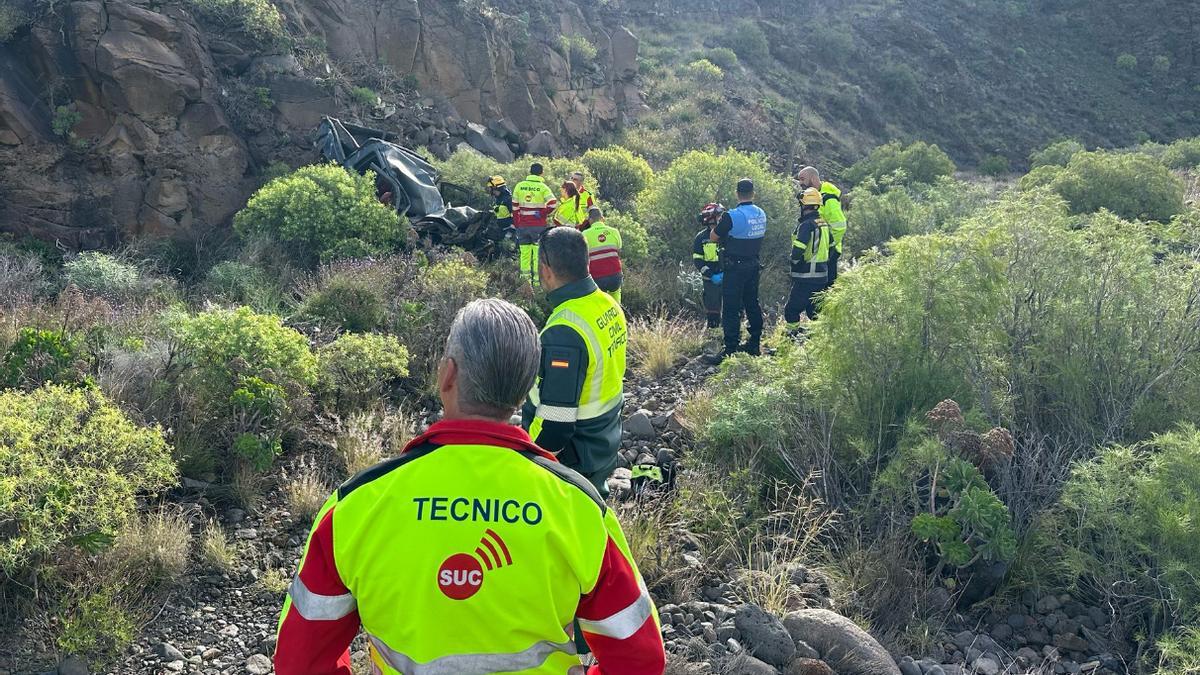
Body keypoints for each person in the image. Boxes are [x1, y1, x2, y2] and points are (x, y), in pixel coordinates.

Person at [275, 299, 665, 675]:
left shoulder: (357, 505)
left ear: (447, 374)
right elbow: (640, 660)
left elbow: (300, 663)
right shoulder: (577, 508)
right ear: (523, 389)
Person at [522, 227, 627, 498]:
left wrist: (527, 466)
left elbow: (556, 426)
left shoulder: (564, 331)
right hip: (603, 442)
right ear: (586, 261)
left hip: (573, 461)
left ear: (545, 270)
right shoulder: (608, 304)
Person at [709, 178, 767, 361]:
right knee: (752, 303)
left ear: (737, 194)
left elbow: (713, 237)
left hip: (735, 267)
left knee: (731, 307)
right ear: (753, 193)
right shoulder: (761, 213)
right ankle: (754, 342)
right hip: (753, 266)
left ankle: (730, 347)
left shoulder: (731, 216)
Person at [784, 187, 831, 335]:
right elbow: (831, 244)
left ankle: (791, 336)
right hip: (821, 275)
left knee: (791, 309)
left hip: (807, 276)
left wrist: (794, 262)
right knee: (813, 310)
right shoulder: (823, 222)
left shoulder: (806, 225)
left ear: (804, 205)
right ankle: (820, 337)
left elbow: (798, 250)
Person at [796, 166, 847, 286]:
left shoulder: (829, 199)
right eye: (799, 180)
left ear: (813, 179)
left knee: (825, 288)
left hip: (827, 253)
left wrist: (827, 247)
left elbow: (840, 226)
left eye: (803, 179)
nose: (800, 183)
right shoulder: (812, 196)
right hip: (816, 252)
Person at [513, 163, 558, 288]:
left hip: (523, 226)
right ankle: (537, 284)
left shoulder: (519, 186)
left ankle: (525, 283)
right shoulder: (543, 187)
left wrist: (517, 224)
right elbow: (553, 203)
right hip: (538, 226)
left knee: (524, 255)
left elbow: (515, 207)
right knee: (537, 255)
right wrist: (542, 213)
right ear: (541, 173)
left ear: (530, 171)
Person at [579, 207, 623, 304]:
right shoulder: (614, 231)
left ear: (590, 220)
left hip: (597, 278)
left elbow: (582, 258)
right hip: (615, 276)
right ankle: (618, 310)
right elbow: (619, 252)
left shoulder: (584, 234)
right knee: (616, 303)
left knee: (599, 304)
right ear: (602, 218)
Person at [693, 203, 725, 331]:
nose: (721, 218)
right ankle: (713, 334)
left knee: (733, 308)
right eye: (719, 215)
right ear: (711, 218)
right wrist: (711, 276)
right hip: (710, 280)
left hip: (728, 277)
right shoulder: (701, 238)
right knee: (712, 310)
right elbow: (698, 261)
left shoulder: (727, 234)